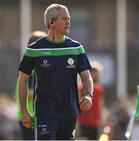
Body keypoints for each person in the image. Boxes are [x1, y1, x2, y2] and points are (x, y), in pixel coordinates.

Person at [17, 3, 93, 140]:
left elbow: (86, 77)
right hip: (45, 112)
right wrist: (24, 111)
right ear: (51, 22)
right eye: (64, 19)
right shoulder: (34, 50)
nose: (68, 22)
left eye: (69, 19)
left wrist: (88, 95)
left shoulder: (77, 48)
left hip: (69, 113)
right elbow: (22, 80)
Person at [16, 31, 47, 140]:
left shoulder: (25, 68)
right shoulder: (33, 70)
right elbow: (30, 93)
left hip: (25, 115)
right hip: (31, 115)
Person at [77, 61, 104, 140]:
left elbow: (100, 107)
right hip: (83, 124)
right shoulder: (80, 88)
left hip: (95, 124)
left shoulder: (99, 89)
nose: (97, 75)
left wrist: (101, 123)